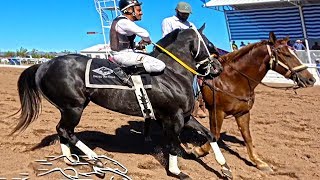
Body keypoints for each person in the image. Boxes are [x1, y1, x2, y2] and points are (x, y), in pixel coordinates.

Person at [162, 2, 207, 118]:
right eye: (183, 13)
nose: (185, 16)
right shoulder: (168, 21)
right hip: (174, 55)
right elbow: (167, 39)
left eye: (187, 14)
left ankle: (199, 103)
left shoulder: (190, 25)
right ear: (177, 11)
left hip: (190, 56)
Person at [110, 0, 166, 85]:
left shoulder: (121, 21)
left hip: (125, 54)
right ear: (129, 10)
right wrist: (147, 40)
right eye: (138, 10)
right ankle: (125, 71)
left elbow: (124, 43)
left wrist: (138, 45)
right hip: (123, 56)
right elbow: (145, 34)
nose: (141, 13)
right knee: (159, 65)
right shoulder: (123, 22)